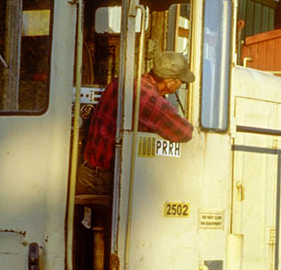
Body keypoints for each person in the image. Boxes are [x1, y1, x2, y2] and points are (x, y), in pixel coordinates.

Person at [76, 51, 195, 195]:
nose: (180, 86)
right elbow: (185, 133)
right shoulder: (149, 98)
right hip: (103, 180)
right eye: (182, 83)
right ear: (170, 82)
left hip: (86, 170)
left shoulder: (122, 81)